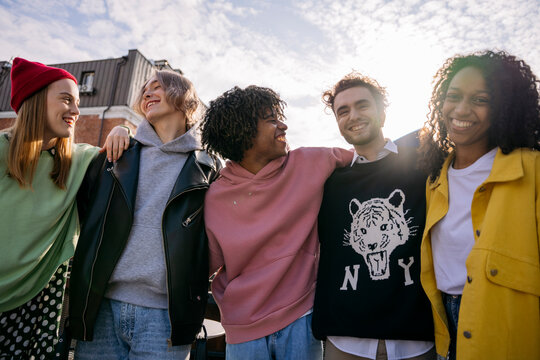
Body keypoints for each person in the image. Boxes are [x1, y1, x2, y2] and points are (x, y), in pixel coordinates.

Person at [70, 69, 222, 360]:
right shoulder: (117, 154)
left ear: (183, 98)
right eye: (145, 90)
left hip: (166, 317)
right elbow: (85, 213)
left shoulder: (209, 167)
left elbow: (217, 234)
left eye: (158, 87)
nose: (147, 93)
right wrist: (120, 129)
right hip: (101, 308)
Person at [200, 85, 353, 360]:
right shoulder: (215, 197)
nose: (282, 124)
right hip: (242, 328)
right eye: (271, 119)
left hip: (302, 318)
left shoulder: (311, 162)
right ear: (243, 131)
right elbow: (207, 265)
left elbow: (372, 160)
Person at [0, 57, 129, 359]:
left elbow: (125, 152)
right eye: (66, 99)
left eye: (78, 102)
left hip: (34, 304)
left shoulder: (76, 161)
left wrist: (122, 126)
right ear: (34, 100)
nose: (76, 110)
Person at [418, 50, 540, 359]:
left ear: (504, 108)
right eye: (453, 96)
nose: (461, 109)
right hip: (443, 329)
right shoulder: (434, 179)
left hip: (507, 330)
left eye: (480, 100)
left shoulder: (532, 170)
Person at [311, 72, 435, 360]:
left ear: (382, 112)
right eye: (343, 111)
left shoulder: (423, 162)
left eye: (362, 105)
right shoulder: (328, 180)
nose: (353, 115)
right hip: (345, 340)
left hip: (415, 338)